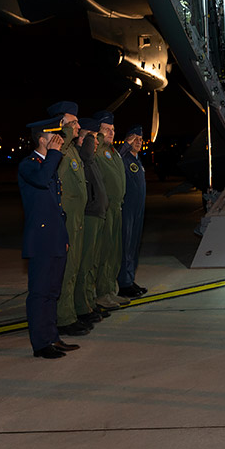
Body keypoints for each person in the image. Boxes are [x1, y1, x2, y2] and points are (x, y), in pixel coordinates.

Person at [18, 116, 81, 359]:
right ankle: (41, 344)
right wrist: (54, 154)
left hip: (54, 238)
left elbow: (56, 206)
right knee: (40, 293)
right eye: (53, 136)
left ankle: (52, 337)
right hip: (41, 240)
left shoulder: (49, 164)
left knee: (53, 291)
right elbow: (42, 179)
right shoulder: (29, 165)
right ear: (42, 139)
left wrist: (63, 237)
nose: (57, 140)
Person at [46, 101, 91, 338]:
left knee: (75, 267)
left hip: (77, 218)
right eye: (73, 122)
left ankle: (71, 312)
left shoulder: (72, 148)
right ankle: (64, 318)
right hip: (66, 219)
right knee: (67, 268)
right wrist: (62, 135)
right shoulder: (60, 149)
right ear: (61, 125)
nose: (78, 126)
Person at [73, 118, 110, 325]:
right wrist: (88, 138)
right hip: (88, 215)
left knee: (92, 263)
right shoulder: (83, 155)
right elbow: (86, 153)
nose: (96, 142)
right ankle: (81, 306)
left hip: (97, 213)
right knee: (84, 263)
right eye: (92, 137)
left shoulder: (91, 158)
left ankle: (88, 301)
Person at [93, 110, 128, 309]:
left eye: (113, 130)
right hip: (105, 209)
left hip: (116, 208)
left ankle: (109, 290)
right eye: (106, 129)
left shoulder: (113, 152)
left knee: (114, 251)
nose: (111, 133)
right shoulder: (98, 151)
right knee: (104, 252)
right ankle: (101, 293)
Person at [118, 125, 148, 298]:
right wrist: (124, 146)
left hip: (138, 210)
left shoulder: (137, 160)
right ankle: (124, 282)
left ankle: (130, 278)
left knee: (135, 245)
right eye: (134, 138)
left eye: (140, 139)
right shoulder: (123, 158)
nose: (138, 141)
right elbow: (115, 159)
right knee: (126, 245)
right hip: (127, 209)